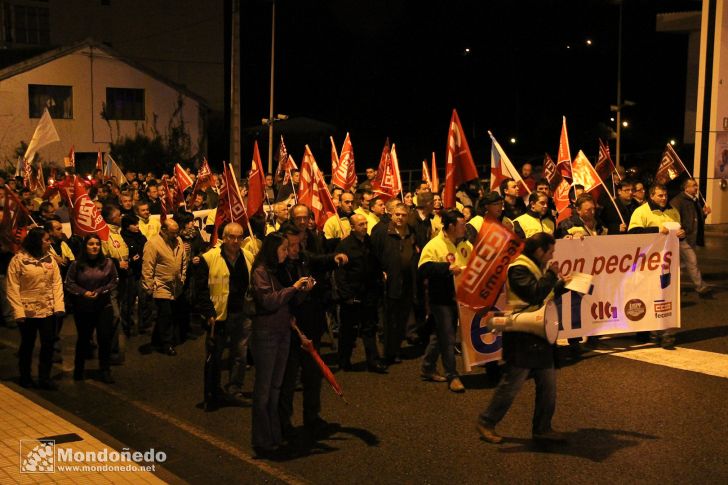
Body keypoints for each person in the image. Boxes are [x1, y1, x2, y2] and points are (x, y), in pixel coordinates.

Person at [477, 232, 570, 444]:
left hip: (538, 330)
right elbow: (534, 294)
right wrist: (551, 276)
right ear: (539, 251)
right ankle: (486, 421)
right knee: (512, 383)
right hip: (522, 333)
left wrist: (562, 287)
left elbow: (544, 294)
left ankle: (542, 429)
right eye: (550, 251)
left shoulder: (535, 267)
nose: (552, 255)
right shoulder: (518, 268)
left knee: (548, 383)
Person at [277, 223, 345, 438]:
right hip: (291, 328)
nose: (296, 249)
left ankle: (312, 417)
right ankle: (283, 424)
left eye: (299, 244)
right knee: (287, 380)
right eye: (292, 245)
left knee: (312, 376)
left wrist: (336, 259)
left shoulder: (304, 257)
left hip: (310, 325)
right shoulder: (278, 265)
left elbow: (319, 260)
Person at [250, 232, 311, 456]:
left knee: (276, 388)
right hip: (266, 335)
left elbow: (285, 300)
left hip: (282, 331)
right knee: (264, 390)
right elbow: (268, 301)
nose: (287, 252)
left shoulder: (278, 270)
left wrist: (300, 290)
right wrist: (293, 288)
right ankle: (262, 439)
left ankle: (274, 435)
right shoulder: (260, 272)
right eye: (284, 249)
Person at [196, 222, 254, 411]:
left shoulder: (248, 256)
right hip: (219, 316)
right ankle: (212, 393)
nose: (235, 241)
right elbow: (201, 289)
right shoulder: (209, 258)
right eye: (231, 237)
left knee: (240, 354)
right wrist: (208, 313)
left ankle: (234, 390)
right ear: (224, 237)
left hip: (242, 313)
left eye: (239, 237)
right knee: (214, 356)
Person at [418, 210, 472, 393]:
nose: (465, 227)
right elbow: (423, 269)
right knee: (448, 336)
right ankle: (452, 375)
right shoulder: (434, 245)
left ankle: (427, 366)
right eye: (462, 225)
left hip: (461, 296)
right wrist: (447, 268)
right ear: (450, 226)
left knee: (439, 334)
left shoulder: (465, 245)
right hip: (441, 298)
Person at [6, 228, 65, 389]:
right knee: (27, 345)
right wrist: (18, 311)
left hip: (47, 309)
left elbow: (56, 283)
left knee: (48, 344)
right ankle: (25, 376)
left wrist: (58, 306)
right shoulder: (18, 260)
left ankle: (44, 377)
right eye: (46, 240)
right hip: (28, 311)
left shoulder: (50, 259)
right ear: (36, 241)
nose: (50, 242)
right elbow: (13, 287)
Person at [628, 184, 684, 348]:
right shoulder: (641, 212)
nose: (664, 198)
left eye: (665, 195)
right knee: (649, 296)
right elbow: (632, 234)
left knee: (667, 297)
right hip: (647, 263)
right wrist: (656, 230)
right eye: (660, 195)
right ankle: (648, 332)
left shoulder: (673, 211)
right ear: (651, 196)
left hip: (667, 263)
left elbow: (678, 233)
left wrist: (682, 234)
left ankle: (667, 335)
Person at [335, 214, 388, 373]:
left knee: (369, 328)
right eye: (360, 224)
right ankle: (344, 360)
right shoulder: (344, 246)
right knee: (348, 330)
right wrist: (347, 296)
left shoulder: (370, 243)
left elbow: (376, 263)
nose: (364, 227)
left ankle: (373, 361)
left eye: (365, 223)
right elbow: (340, 274)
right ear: (352, 227)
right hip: (353, 294)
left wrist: (380, 278)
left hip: (369, 293)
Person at [64, 235, 119, 383]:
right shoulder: (77, 264)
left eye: (97, 244)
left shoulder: (108, 263)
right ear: (85, 246)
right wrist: (84, 293)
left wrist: (100, 291)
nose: (94, 247)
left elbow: (114, 281)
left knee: (104, 338)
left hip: (103, 306)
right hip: (83, 307)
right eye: (90, 244)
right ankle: (79, 369)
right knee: (83, 339)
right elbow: (69, 283)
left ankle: (105, 369)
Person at [371, 202, 416, 365]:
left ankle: (396, 349)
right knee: (390, 320)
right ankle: (389, 352)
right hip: (389, 283)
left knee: (402, 318)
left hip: (408, 283)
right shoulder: (381, 232)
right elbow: (372, 255)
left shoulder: (412, 232)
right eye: (397, 214)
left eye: (404, 215)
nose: (400, 218)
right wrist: (379, 272)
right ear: (391, 215)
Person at [142, 219, 189, 355]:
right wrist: (148, 286)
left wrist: (183, 277)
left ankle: (157, 339)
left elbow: (183, 261)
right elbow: (148, 267)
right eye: (172, 233)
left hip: (176, 284)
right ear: (163, 230)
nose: (175, 235)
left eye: (176, 232)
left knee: (169, 313)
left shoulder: (178, 241)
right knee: (166, 313)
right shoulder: (153, 244)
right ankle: (166, 344)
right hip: (161, 284)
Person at [670, 179, 711, 296]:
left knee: (681, 264)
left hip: (692, 237)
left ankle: (675, 288)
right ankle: (700, 287)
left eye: (696, 185)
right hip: (683, 238)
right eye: (693, 186)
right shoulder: (677, 201)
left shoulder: (694, 200)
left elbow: (697, 218)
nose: (696, 188)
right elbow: (673, 218)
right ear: (686, 188)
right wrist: (679, 230)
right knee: (692, 261)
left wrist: (704, 213)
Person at [120, 214, 147, 336]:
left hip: (141, 271)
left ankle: (143, 325)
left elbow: (146, 248)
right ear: (127, 226)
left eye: (137, 224)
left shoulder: (140, 236)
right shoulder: (122, 238)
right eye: (134, 224)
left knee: (144, 299)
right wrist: (131, 259)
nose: (137, 226)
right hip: (130, 273)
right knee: (128, 301)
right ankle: (127, 326)